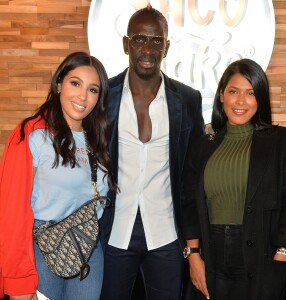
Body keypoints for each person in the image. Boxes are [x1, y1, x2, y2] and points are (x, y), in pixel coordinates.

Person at [99, 4, 205, 300]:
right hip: (113, 234)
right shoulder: (104, 96)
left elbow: (193, 174)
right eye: (139, 39)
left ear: (167, 47)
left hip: (167, 237)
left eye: (157, 40)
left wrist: (194, 240)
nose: (148, 48)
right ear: (125, 44)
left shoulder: (187, 100)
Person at [0, 51, 117, 300]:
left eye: (93, 90)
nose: (83, 96)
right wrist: (18, 281)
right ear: (59, 84)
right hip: (42, 248)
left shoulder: (97, 141)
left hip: (89, 250)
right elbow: (11, 211)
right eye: (75, 83)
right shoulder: (33, 134)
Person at [182, 58, 286, 300]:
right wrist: (193, 255)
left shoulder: (284, 142)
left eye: (251, 93)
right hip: (211, 258)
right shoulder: (203, 146)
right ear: (221, 96)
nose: (240, 101)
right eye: (233, 91)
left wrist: (282, 256)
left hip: (264, 260)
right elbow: (189, 203)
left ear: (261, 99)